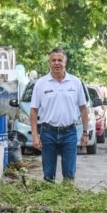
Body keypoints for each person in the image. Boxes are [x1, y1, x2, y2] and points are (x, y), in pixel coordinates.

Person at [30, 48, 89, 182]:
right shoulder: (41, 84)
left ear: (65, 63)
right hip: (48, 133)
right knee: (48, 176)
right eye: (53, 60)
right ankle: (49, 202)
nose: (57, 63)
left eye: (60, 60)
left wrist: (85, 133)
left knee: (69, 175)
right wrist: (34, 135)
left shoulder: (75, 82)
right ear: (49, 63)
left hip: (69, 133)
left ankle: (68, 201)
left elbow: (83, 109)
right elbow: (34, 111)